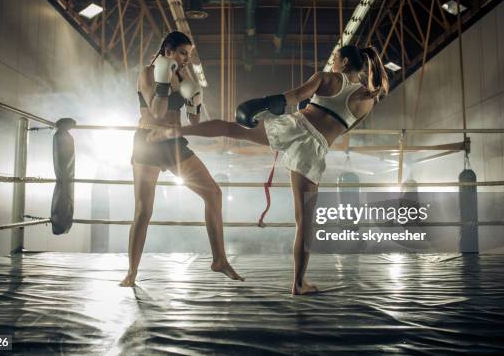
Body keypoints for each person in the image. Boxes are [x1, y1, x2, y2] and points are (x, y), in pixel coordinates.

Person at [155, 45, 389, 294]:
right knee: (305, 223)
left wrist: (260, 105)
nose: (332, 64)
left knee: (230, 128)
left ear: (342, 62)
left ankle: (175, 131)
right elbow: (344, 129)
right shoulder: (369, 99)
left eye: (334, 61)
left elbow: (292, 98)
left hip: (296, 125)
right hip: (316, 146)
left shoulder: (327, 78)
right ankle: (299, 284)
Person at [120, 31, 243, 287]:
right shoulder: (147, 73)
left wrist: (195, 100)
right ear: (168, 50)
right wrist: (165, 81)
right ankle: (131, 272)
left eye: (189, 54)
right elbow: (156, 112)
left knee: (213, 193)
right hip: (148, 142)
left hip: (174, 143)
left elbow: (194, 121)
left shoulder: (182, 75)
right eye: (183, 53)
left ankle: (219, 259)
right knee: (143, 211)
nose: (187, 59)